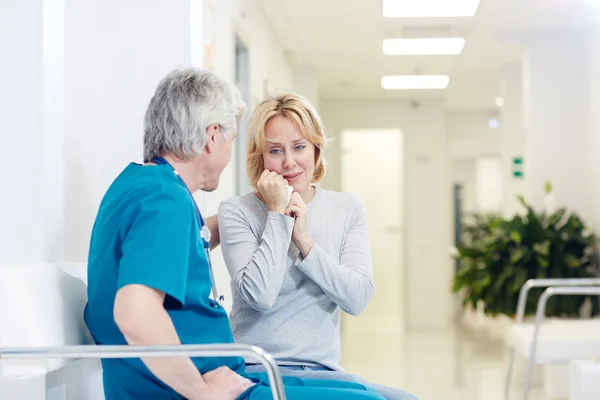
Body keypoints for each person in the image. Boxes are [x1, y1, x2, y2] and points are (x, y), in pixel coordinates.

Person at [83, 68, 387, 400]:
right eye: (232, 138)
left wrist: (245, 224)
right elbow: (136, 314)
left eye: (299, 147)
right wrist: (202, 394)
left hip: (216, 377)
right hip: (206, 387)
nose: (288, 161)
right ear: (212, 136)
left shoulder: (143, 187)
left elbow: (177, 243)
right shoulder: (164, 199)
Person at [218, 93, 418, 400]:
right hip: (256, 371)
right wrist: (277, 214)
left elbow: (357, 298)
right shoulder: (236, 211)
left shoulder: (346, 208)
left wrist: (305, 243)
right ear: (260, 158)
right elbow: (259, 295)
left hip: (323, 372)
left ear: (316, 150)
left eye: (299, 147)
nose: (288, 162)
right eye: (275, 150)